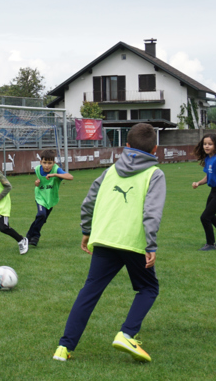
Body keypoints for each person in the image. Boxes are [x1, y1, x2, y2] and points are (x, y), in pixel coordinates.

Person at [53, 123, 167, 363]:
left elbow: (88, 202)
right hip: (133, 242)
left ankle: (63, 348)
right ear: (155, 148)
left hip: (104, 239)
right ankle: (126, 334)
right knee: (148, 288)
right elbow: (152, 213)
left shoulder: (112, 169)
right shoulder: (154, 174)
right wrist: (151, 245)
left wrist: (87, 230)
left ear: (126, 146)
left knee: (89, 292)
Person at [25, 150, 73, 247]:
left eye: (49, 163)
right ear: (40, 162)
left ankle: (29, 235)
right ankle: (35, 237)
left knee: (42, 218)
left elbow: (70, 177)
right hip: (40, 197)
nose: (47, 165)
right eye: (45, 162)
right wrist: (36, 183)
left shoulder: (56, 169)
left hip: (51, 198)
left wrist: (55, 175)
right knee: (41, 215)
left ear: (54, 163)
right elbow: (37, 183)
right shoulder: (38, 169)